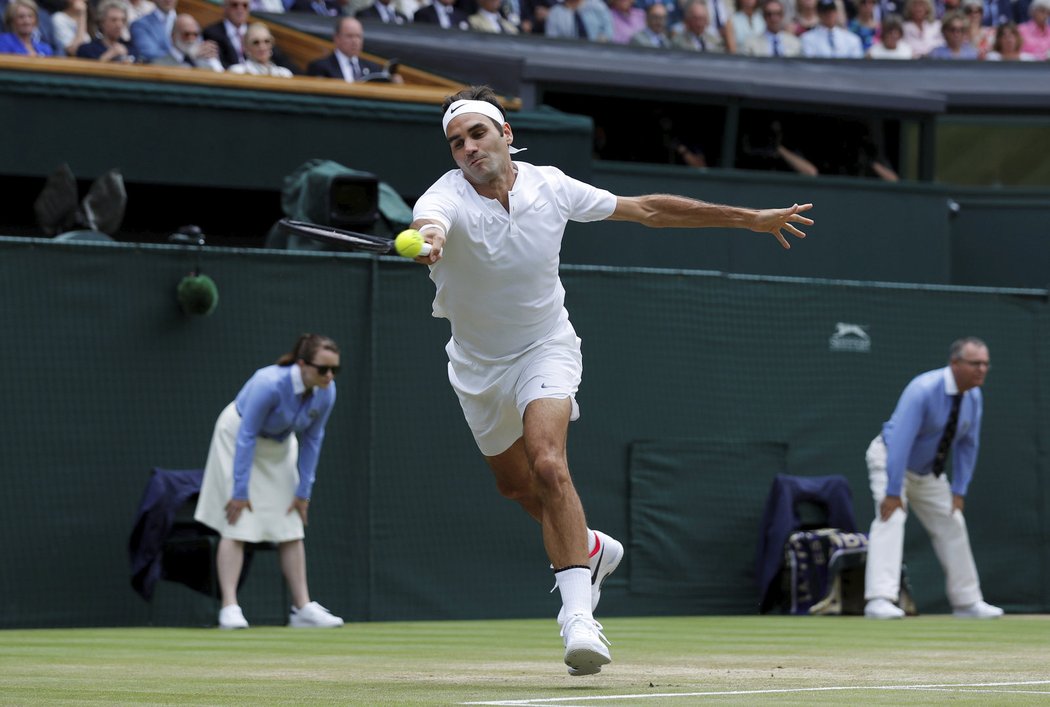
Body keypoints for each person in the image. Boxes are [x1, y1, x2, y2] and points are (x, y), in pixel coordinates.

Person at [405, 85, 812, 675]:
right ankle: (592, 549)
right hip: (476, 367)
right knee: (520, 489)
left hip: (546, 346)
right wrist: (432, 239)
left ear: (506, 135)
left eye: (477, 133)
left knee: (549, 464)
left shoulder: (551, 185)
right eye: (456, 142)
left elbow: (647, 209)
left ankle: (578, 620)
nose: (468, 148)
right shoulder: (442, 199)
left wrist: (748, 219)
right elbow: (431, 223)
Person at [194, 333, 344, 630]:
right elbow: (246, 436)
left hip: (279, 445)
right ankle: (230, 607)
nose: (329, 376)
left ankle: (301, 608)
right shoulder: (269, 383)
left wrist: (303, 493)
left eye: (335, 370)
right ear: (302, 364)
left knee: (290, 524)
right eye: (323, 369)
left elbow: (314, 439)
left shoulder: (327, 391)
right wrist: (239, 491)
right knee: (236, 520)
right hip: (236, 437)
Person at [863, 337, 1004, 621]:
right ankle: (879, 600)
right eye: (975, 363)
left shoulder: (974, 397)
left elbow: (967, 445)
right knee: (891, 519)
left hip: (928, 474)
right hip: (890, 460)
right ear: (955, 364)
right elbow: (901, 442)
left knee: (953, 523)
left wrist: (959, 490)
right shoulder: (923, 389)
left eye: (986, 364)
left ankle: (967, 603)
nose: (982, 369)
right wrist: (893, 491)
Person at [203, 0, 299, 71]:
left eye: (244, 5)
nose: (240, 9)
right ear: (225, 7)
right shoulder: (212, 32)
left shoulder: (258, 32)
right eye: (234, 5)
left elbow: (281, 59)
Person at [306, 16, 392, 81]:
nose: (355, 41)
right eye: (349, 36)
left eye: (358, 36)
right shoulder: (321, 67)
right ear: (337, 38)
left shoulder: (373, 68)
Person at [149, 13, 224, 70]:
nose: (191, 39)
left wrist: (213, 61)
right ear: (173, 36)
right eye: (186, 34)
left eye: (195, 34)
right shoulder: (158, 65)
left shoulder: (205, 65)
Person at [228, 21, 293, 75]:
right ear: (246, 47)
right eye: (256, 42)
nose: (262, 47)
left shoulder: (284, 74)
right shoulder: (237, 72)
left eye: (266, 41)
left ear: (272, 44)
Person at [544, 0, 614, 40]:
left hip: (599, 55)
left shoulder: (598, 6)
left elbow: (609, 30)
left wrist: (603, 39)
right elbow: (552, 40)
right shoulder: (555, 13)